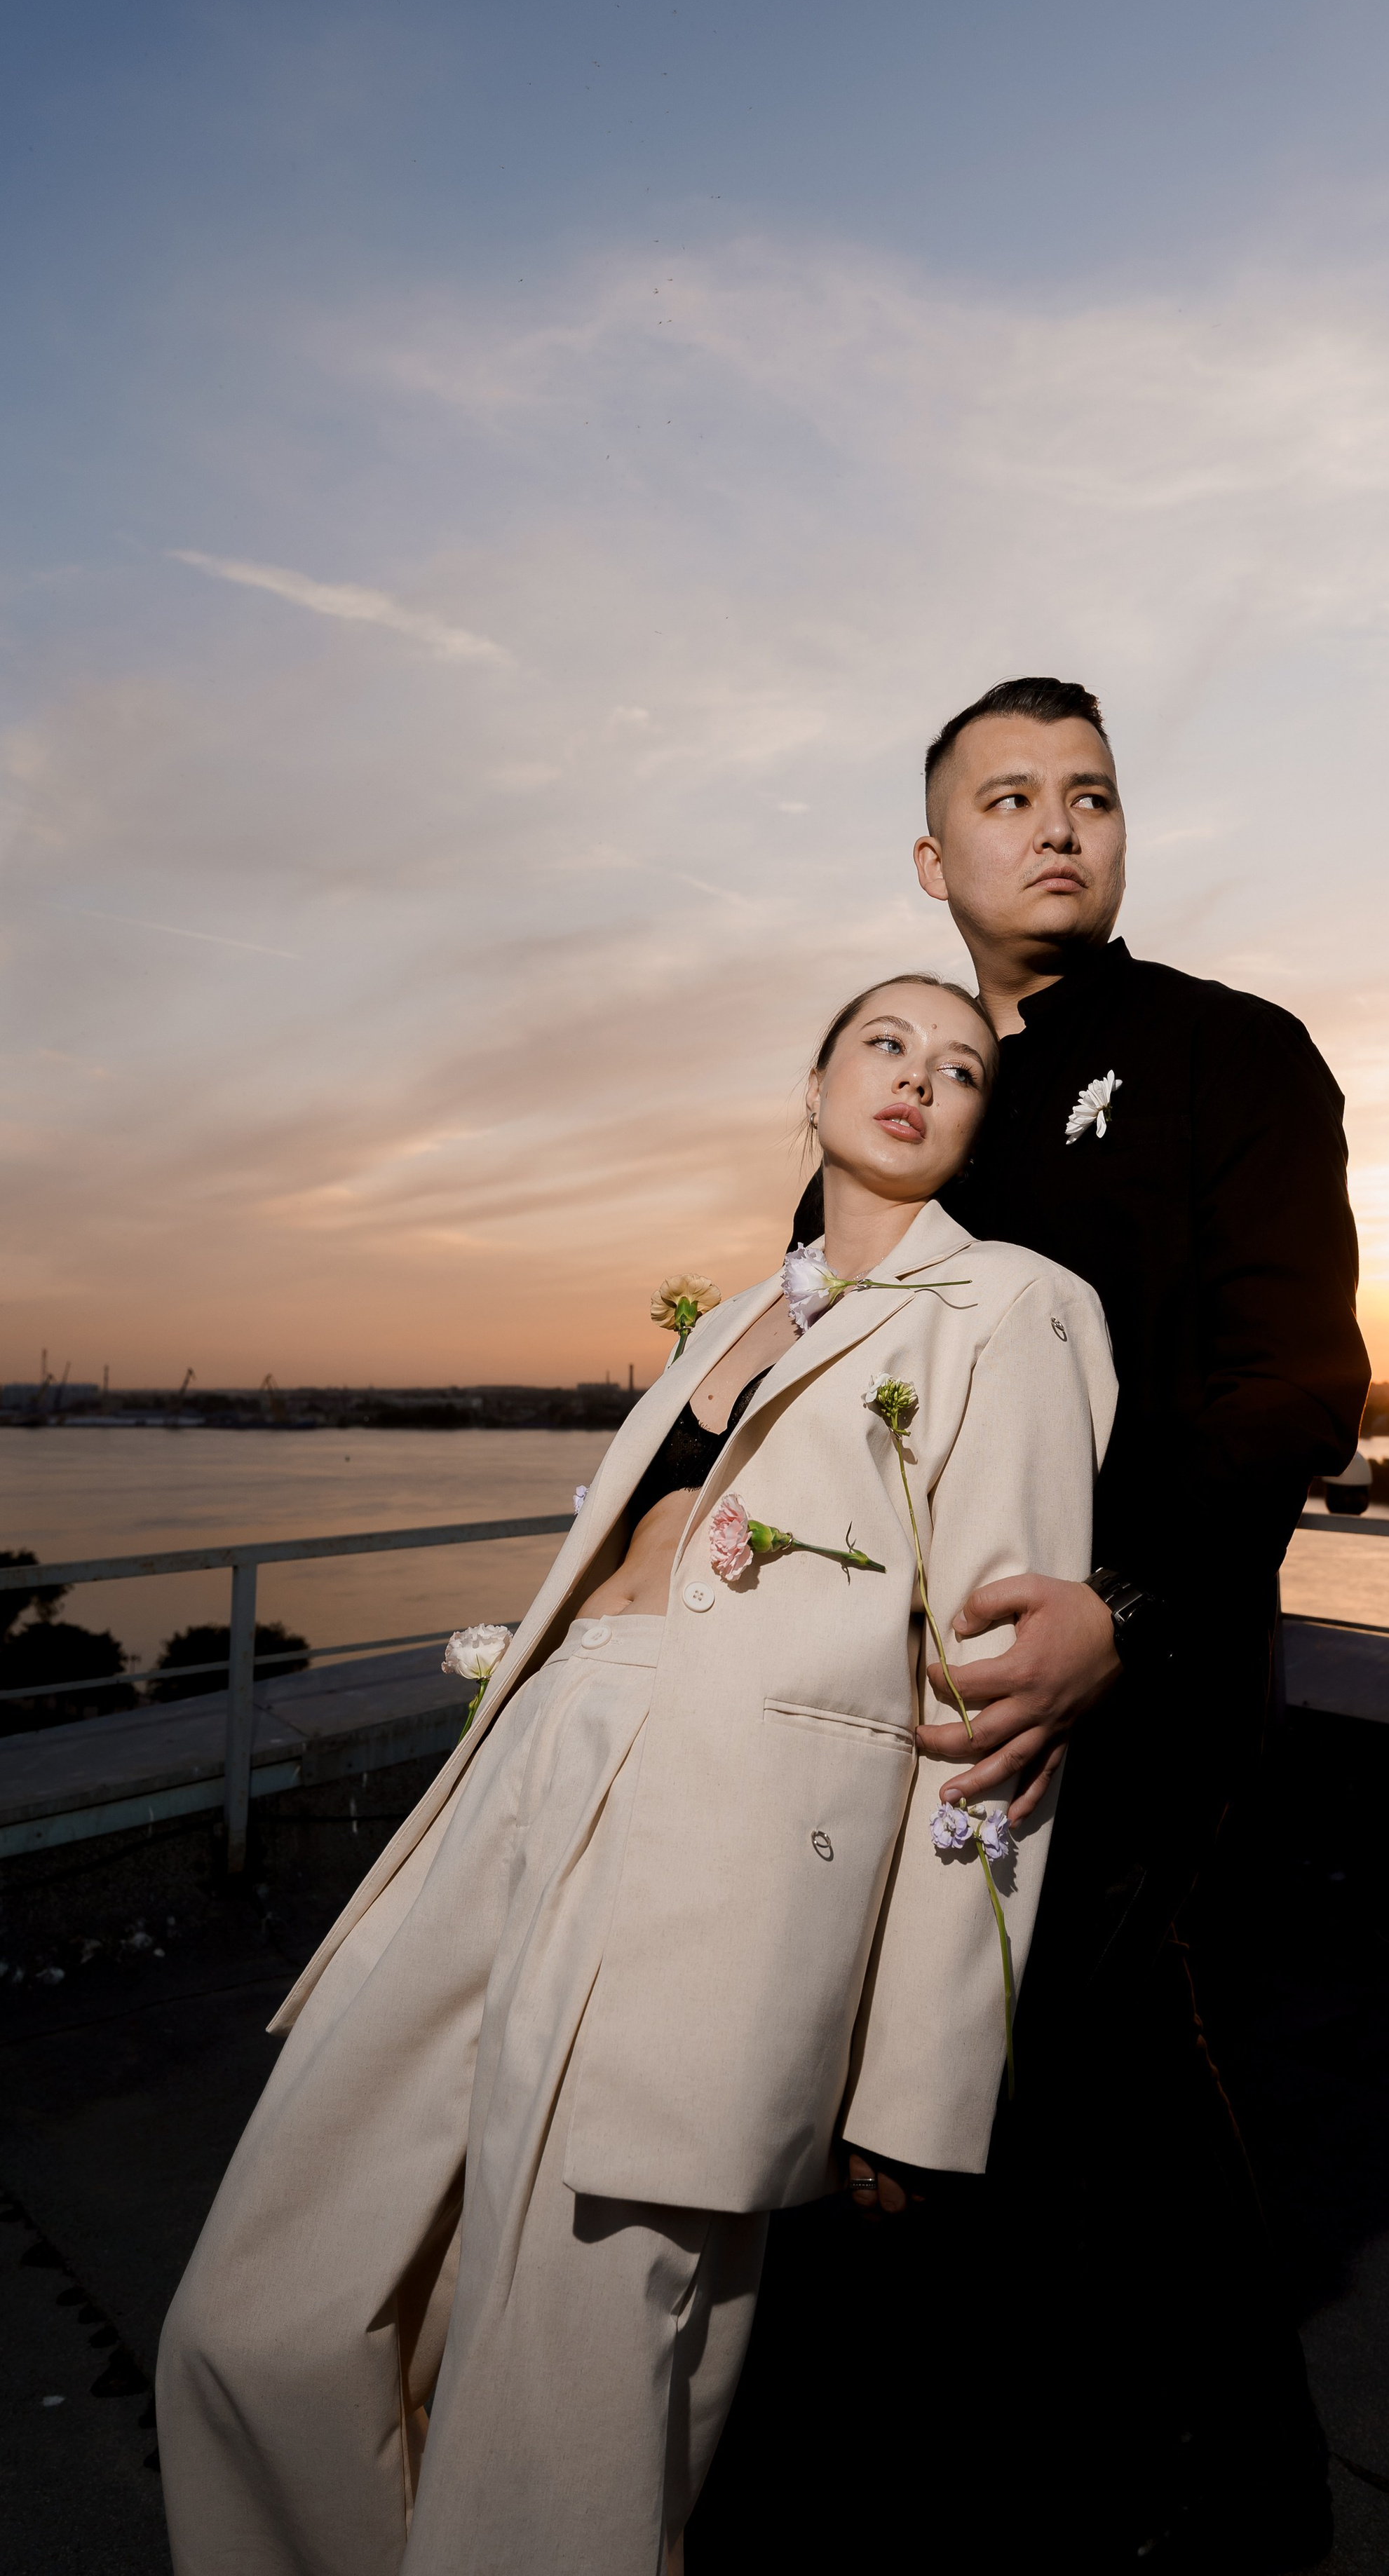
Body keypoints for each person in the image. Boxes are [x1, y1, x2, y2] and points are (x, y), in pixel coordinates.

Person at [155, 972, 1116, 2576]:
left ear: (971, 1129)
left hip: (730, 1859)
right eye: (882, 1042)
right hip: (536, 1757)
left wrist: (920, 2080)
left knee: (566, 2405)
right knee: (258, 2310)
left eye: (958, 1067)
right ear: (808, 1086)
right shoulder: (732, 1315)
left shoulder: (1011, 1306)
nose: (917, 1077)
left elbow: (990, 1706)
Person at [691, 681, 1369, 2575]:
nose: (1058, 824)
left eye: (1091, 794)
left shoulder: (1234, 1057)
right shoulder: (908, 1089)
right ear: (936, 860)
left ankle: (1234, 2521)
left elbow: (1297, 1389)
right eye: (1008, 798)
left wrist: (1122, 1613)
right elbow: (796, 1381)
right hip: (876, 1708)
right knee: (891, 2117)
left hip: (1121, 1695)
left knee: (1083, 2089)